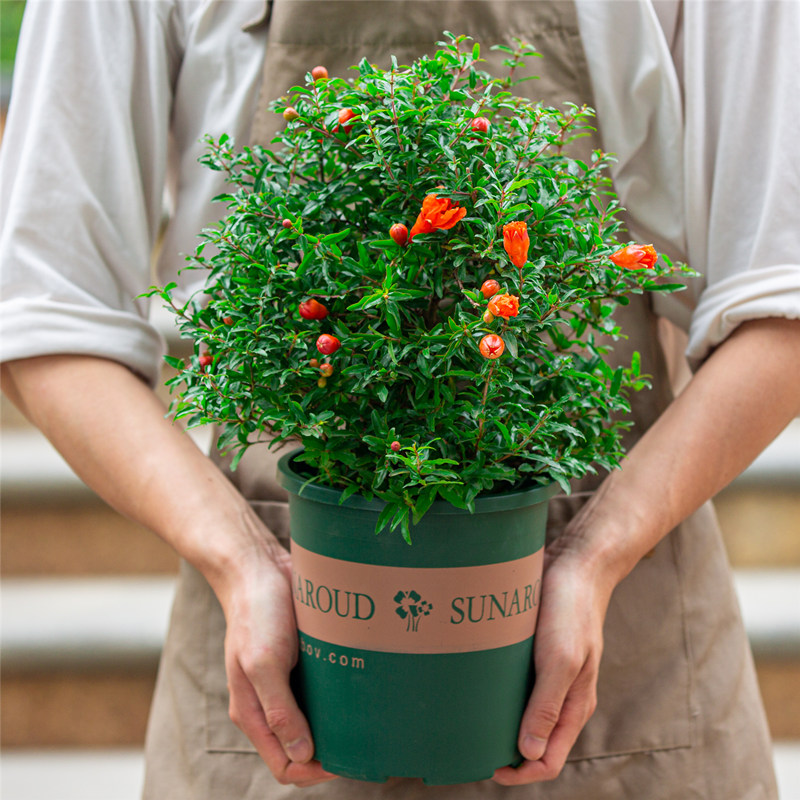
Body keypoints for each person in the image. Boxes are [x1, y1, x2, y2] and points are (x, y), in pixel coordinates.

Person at [1, 1, 798, 798]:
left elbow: (784, 307)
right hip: (282, 654)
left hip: (628, 655)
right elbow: (46, 316)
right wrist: (241, 561)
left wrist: (595, 556)